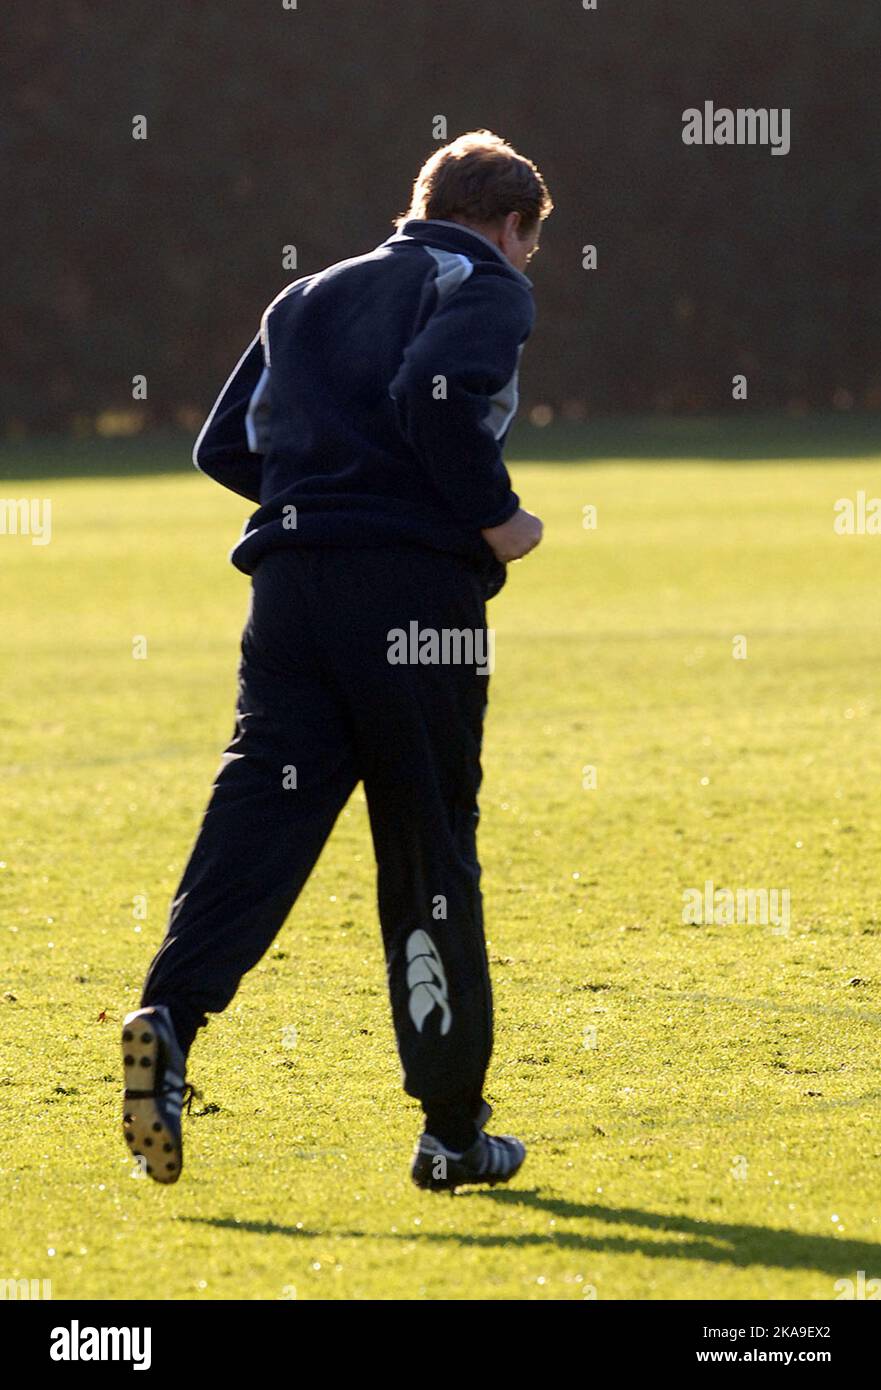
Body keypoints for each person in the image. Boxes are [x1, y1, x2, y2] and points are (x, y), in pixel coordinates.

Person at [121, 129, 552, 1191]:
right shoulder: (485, 281)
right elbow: (436, 391)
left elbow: (226, 445)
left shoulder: (306, 294)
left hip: (290, 591)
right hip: (413, 597)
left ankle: (167, 1018)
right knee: (426, 841)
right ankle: (452, 1133)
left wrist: (321, 500)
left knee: (259, 816)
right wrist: (494, 517)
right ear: (510, 224)